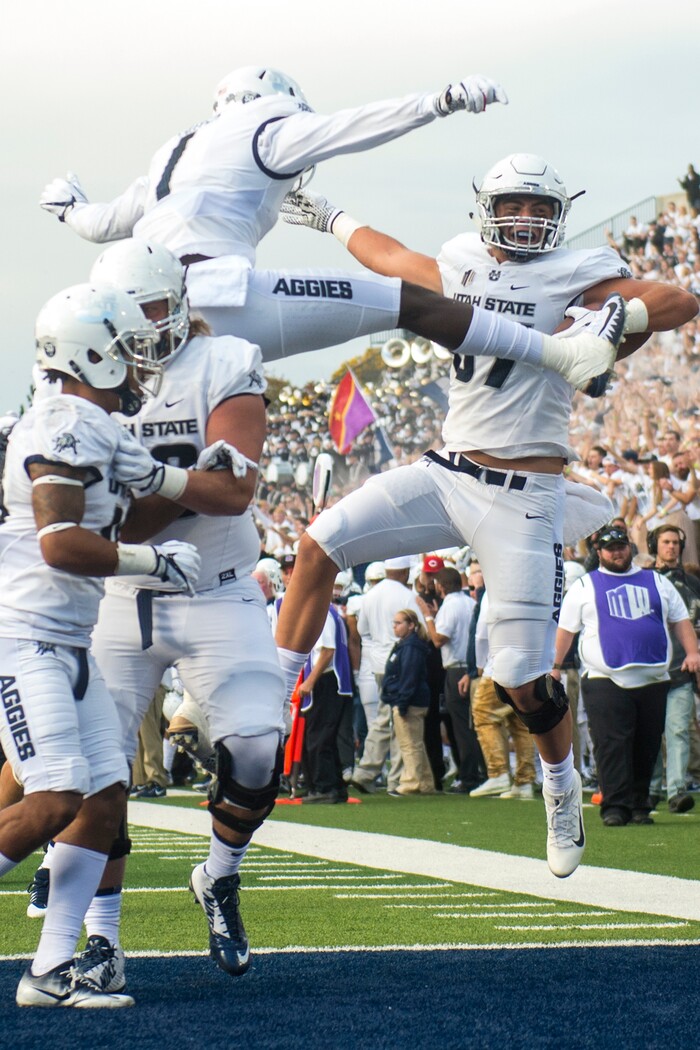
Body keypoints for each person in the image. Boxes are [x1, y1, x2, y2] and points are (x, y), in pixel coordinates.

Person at [276, 151, 698, 878]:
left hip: (526, 494)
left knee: (521, 679)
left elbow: (678, 301)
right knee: (319, 544)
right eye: (517, 204)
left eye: (542, 207)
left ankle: (562, 789)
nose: (529, 217)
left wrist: (608, 317)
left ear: (559, 216)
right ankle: (262, 704)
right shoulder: (463, 257)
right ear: (488, 207)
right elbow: (396, 260)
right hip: (446, 470)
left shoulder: (578, 270)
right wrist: (331, 217)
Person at [40, 69, 632, 399]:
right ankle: (564, 354)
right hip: (222, 295)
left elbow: (103, 225)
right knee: (412, 303)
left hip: (152, 316)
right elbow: (349, 129)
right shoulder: (263, 127)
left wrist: (67, 207)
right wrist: (438, 102)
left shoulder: (174, 151)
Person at [81, 239, 286, 985]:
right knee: (97, 769)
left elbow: (233, 490)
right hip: (119, 595)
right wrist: (179, 481)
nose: (141, 328)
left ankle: (220, 873)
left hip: (218, 587)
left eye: (156, 307)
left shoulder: (225, 359)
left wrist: (139, 495)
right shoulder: (83, 382)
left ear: (184, 301)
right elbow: (94, 519)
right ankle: (101, 938)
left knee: (259, 747)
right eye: (124, 315)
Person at [0, 283, 199, 1008]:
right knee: (54, 798)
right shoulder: (61, 421)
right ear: (92, 353)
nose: (140, 364)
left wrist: (203, 477)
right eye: (127, 350)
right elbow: (60, 543)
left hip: (66, 640)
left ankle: (50, 971)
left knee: (105, 797)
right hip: (24, 637)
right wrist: (155, 564)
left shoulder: (95, 424)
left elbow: (145, 504)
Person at [553, 527, 700, 826]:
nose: (616, 552)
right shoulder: (584, 585)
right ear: (599, 552)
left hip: (654, 676)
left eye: (621, 546)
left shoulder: (657, 581)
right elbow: (566, 629)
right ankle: (614, 806)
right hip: (604, 677)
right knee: (611, 742)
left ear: (630, 548)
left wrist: (693, 652)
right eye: (609, 548)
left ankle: (639, 804)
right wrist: (555, 664)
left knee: (646, 745)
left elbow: (680, 618)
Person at [647, 525, 700, 813]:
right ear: (655, 545)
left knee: (678, 729)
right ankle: (652, 788)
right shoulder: (643, 580)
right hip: (649, 671)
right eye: (666, 542)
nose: (672, 547)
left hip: (681, 669)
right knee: (652, 733)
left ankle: (677, 790)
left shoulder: (693, 583)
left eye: (676, 542)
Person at [416, 567, 481, 793]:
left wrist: (427, 617)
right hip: (472, 666)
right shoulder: (470, 603)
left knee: (461, 725)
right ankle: (479, 771)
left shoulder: (450, 605)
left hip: (455, 668)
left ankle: (470, 775)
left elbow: (438, 639)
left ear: (441, 586)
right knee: (473, 724)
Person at [382, 609, 434, 795]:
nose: (395, 627)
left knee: (409, 744)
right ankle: (426, 782)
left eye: (399, 623)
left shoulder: (410, 647)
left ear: (411, 625)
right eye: (394, 623)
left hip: (409, 701)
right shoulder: (409, 645)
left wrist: (402, 702)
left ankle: (410, 783)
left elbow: (408, 677)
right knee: (416, 742)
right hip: (413, 699)